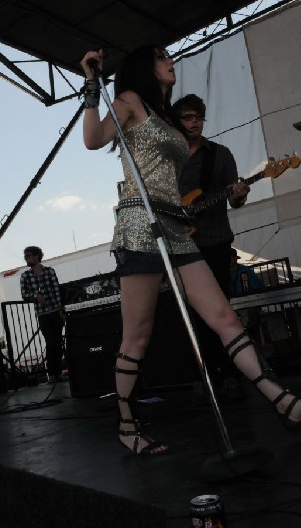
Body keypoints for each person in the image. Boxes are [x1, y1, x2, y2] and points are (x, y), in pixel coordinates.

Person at [80, 45, 301, 456]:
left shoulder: (167, 116)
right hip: (140, 224)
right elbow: (94, 139)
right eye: (164, 57)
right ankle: (128, 428)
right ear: (148, 67)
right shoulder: (129, 101)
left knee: (224, 316)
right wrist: (92, 86)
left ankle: (283, 401)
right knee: (138, 336)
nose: (172, 62)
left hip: (178, 226)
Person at [173, 93, 250, 393]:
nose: (194, 122)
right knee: (192, 313)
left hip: (215, 240)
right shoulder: (169, 158)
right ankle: (203, 374)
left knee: (221, 309)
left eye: (198, 117)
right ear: (177, 122)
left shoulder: (220, 154)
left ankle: (228, 371)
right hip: (181, 244)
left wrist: (239, 194)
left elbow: (236, 199)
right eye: (188, 117)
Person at [20, 246, 66, 384]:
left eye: (28, 255)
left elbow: (57, 291)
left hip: (55, 312)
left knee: (58, 343)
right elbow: (24, 295)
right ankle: (52, 374)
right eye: (25, 256)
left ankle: (58, 373)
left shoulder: (49, 271)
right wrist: (35, 296)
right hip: (42, 314)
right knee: (51, 342)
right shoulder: (25, 276)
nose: (26, 258)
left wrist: (60, 310)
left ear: (36, 256)